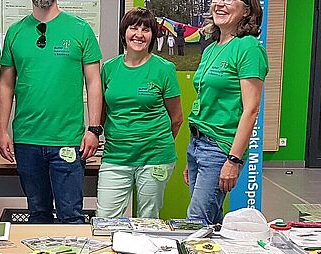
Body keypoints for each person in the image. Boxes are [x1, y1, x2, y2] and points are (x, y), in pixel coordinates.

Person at [0, 0, 103, 224]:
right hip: (27, 141)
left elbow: (94, 82)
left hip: (67, 140)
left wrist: (94, 129)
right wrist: (2, 130)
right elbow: (6, 85)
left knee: (71, 216)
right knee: (37, 214)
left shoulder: (80, 29)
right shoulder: (15, 32)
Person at [184, 0, 268, 224]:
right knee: (210, 219)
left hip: (220, 148)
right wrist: (193, 156)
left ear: (247, 10)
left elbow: (251, 110)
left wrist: (233, 160)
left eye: (229, 0)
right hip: (197, 144)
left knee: (196, 220)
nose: (220, 5)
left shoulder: (249, 48)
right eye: (216, 0)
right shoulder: (212, 48)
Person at [96, 7, 182, 219]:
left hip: (155, 158)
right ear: (124, 32)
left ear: (152, 36)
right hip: (115, 156)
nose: (139, 34)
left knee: (148, 221)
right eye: (133, 28)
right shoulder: (109, 68)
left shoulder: (164, 69)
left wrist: (155, 143)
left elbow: (177, 118)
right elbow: (102, 112)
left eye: (146, 29)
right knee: (105, 219)